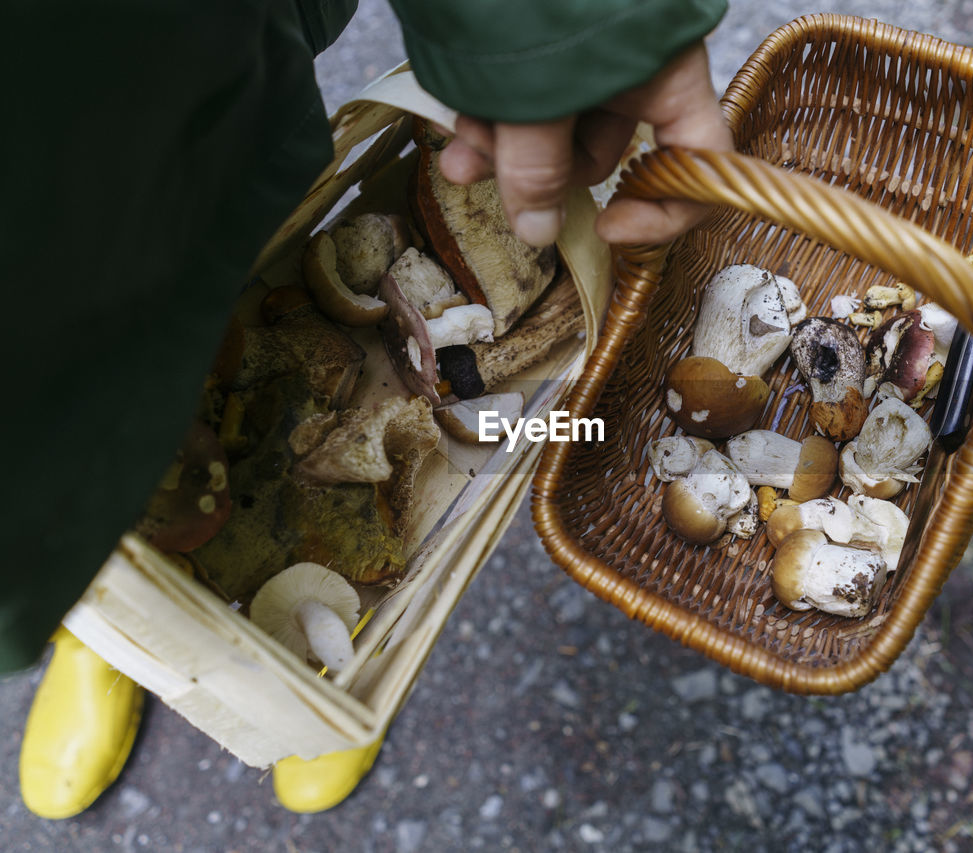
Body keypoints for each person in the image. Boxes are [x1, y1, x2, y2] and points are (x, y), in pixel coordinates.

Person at [5, 0, 731, 817]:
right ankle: (98, 624)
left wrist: (550, 29)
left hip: (134, 108)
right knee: (79, 517)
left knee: (207, 342)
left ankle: (357, 659)